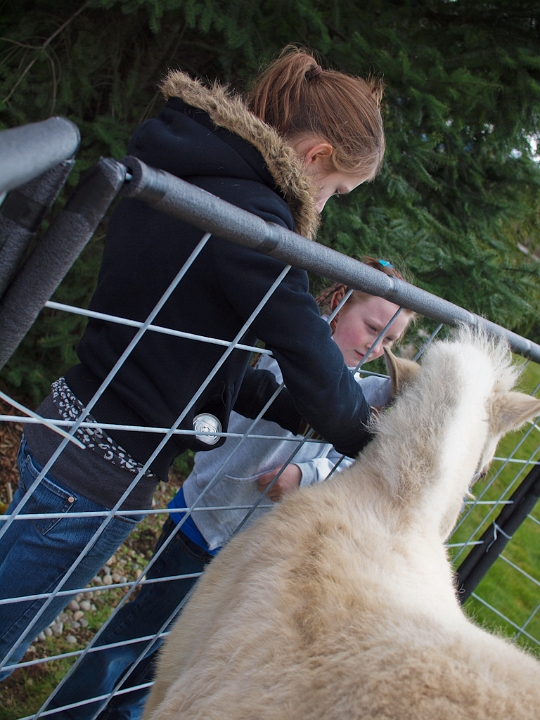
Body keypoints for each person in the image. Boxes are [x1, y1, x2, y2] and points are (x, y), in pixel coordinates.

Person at [0, 47, 387, 680]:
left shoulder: (195, 169)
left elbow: (196, 361)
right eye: (338, 190)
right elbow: (316, 368)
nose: (329, 203)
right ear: (316, 156)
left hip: (70, 424)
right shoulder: (254, 225)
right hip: (103, 471)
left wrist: (299, 410)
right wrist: (383, 443)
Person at [47, 258, 414, 720]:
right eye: (373, 328)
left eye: (392, 340)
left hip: (256, 547)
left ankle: (130, 714)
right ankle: (68, 713)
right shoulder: (286, 352)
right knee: (138, 634)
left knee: (189, 646)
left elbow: (354, 456)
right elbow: (289, 404)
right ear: (339, 304)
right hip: (204, 522)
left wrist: (308, 476)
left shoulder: (366, 386)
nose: (379, 347)